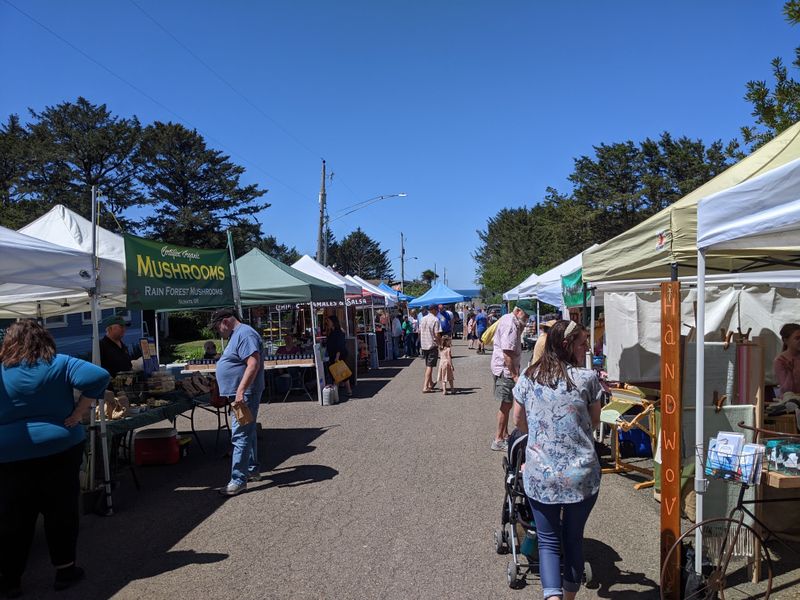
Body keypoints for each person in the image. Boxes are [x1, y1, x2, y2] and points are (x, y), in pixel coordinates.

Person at [0, 320, 110, 596]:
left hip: (10, 453)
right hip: (59, 447)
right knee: (60, 512)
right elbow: (99, 376)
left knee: (13, 519)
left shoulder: (2, 370)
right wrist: (79, 413)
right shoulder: (60, 362)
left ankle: (11, 580)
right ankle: (64, 570)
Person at [512, 320, 602, 600]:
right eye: (582, 342)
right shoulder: (587, 379)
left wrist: (542, 435)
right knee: (573, 539)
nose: (587, 347)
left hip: (541, 473)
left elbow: (518, 421)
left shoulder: (528, 377)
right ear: (567, 345)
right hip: (581, 475)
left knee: (549, 542)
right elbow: (595, 421)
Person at [211, 308, 265, 496]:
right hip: (242, 394)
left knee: (240, 434)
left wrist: (240, 390)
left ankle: (238, 480)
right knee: (246, 431)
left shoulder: (245, 334)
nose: (219, 331)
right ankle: (251, 469)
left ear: (225, 321)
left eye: (218, 327)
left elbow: (253, 363)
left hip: (245, 394)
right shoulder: (239, 334)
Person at [489, 300, 532, 451]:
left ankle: (505, 435)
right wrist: (514, 375)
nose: (526, 320)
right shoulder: (510, 324)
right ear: (518, 311)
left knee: (506, 404)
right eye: (526, 316)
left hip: (503, 368)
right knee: (506, 405)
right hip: (505, 370)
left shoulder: (509, 320)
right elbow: (507, 352)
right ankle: (498, 439)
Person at [325, 315, 352, 398]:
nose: (327, 323)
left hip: (339, 355)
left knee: (338, 373)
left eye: (328, 321)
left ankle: (335, 394)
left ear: (333, 322)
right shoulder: (331, 332)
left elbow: (340, 345)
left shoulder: (339, 332)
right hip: (333, 355)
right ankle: (346, 391)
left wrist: (337, 356)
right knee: (339, 373)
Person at [419, 304, 441, 393]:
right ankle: (425, 386)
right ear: (434, 310)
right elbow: (437, 334)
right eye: (437, 310)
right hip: (432, 345)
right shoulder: (435, 320)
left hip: (424, 344)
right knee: (430, 366)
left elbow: (419, 331)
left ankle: (431, 383)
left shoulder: (423, 319)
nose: (438, 312)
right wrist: (440, 344)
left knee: (428, 365)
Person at [775, 323, 800, 398]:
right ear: (786, 340)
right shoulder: (780, 360)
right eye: (797, 338)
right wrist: (790, 373)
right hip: (790, 402)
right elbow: (787, 390)